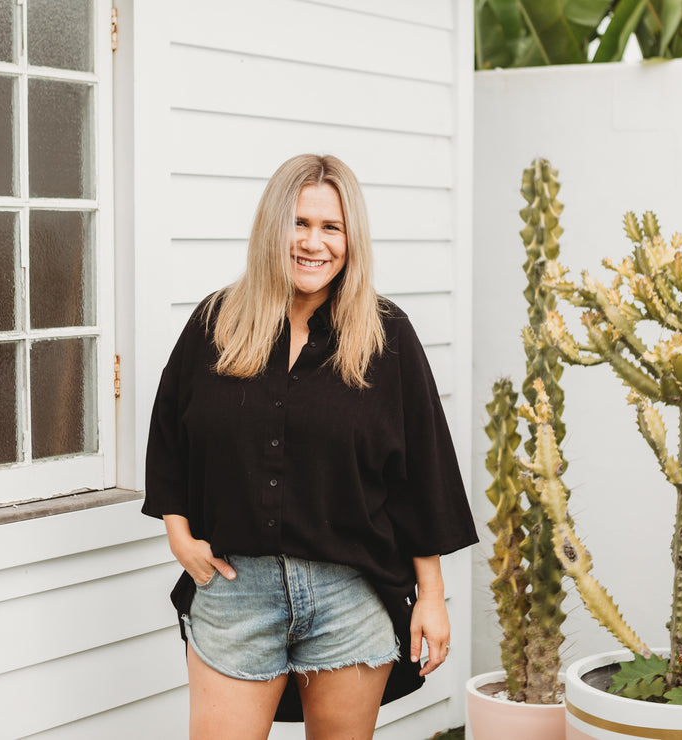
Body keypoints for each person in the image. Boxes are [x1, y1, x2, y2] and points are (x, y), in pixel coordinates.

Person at [143, 154, 478, 740]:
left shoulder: (386, 336)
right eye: (299, 223)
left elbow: (422, 473)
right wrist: (179, 534)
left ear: (352, 239)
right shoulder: (216, 323)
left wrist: (433, 596)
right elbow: (171, 433)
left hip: (349, 591)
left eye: (332, 227)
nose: (313, 243)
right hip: (233, 589)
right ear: (273, 227)